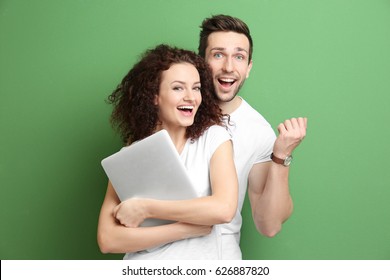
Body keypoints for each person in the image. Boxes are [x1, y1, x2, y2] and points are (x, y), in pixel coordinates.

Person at [97, 44, 238, 259]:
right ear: (154, 96)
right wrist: (186, 229)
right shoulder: (131, 154)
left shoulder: (214, 138)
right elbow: (108, 239)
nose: (191, 97)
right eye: (178, 88)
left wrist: (146, 208)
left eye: (197, 88)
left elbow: (223, 208)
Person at [197, 14, 308, 259]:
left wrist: (281, 156)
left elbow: (269, 225)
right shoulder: (174, 112)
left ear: (248, 68)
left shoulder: (257, 130)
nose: (228, 67)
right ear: (200, 62)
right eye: (218, 55)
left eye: (239, 57)